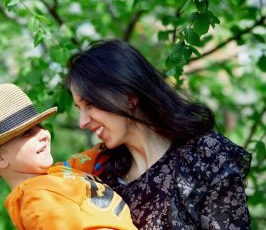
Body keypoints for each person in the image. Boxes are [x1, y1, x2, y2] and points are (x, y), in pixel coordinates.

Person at [64, 39, 252, 229]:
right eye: (79, 108)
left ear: (128, 96)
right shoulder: (102, 180)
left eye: (90, 104)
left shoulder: (204, 157)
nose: (82, 122)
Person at [0, 83, 136, 230]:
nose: (44, 134)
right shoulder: (37, 201)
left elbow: (98, 153)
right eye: (27, 133)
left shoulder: (61, 171)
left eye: (40, 126)